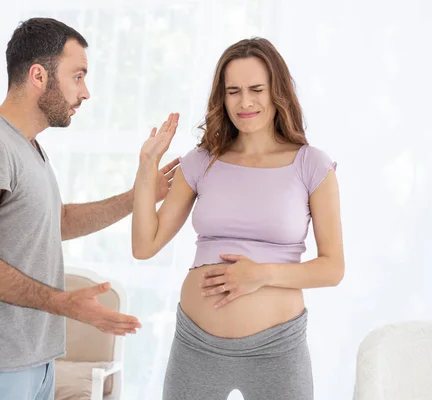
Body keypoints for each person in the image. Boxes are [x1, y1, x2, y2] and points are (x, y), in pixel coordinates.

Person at [0, 17, 179, 400]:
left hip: (35, 361)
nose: (85, 92)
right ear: (38, 75)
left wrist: (137, 198)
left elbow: (57, 221)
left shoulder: (27, 147)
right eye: (77, 76)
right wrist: (64, 304)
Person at [132, 37, 344, 400]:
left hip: (276, 350)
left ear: (277, 91)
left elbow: (332, 268)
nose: (245, 102)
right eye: (233, 91)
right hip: (196, 344)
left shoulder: (312, 165)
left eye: (256, 89)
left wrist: (261, 275)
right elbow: (144, 245)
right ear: (222, 97)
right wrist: (146, 169)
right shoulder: (201, 161)